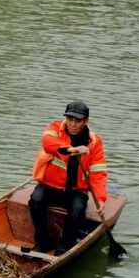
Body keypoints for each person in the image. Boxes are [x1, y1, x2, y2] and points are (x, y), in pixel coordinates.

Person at [29, 101, 108, 255]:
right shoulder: (55, 128)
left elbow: (98, 173)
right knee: (36, 199)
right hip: (51, 184)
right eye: (69, 119)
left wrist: (100, 199)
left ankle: (63, 248)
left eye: (78, 121)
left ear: (86, 121)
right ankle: (43, 242)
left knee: (78, 208)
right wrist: (71, 149)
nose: (72, 124)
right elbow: (47, 142)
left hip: (77, 190)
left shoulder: (95, 142)